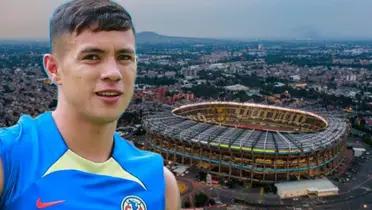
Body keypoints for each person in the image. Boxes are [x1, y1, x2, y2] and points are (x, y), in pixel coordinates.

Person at [0, 0, 180, 209]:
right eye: (92, 56)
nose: (113, 72)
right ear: (54, 69)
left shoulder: (159, 182)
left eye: (125, 57)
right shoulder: (10, 158)